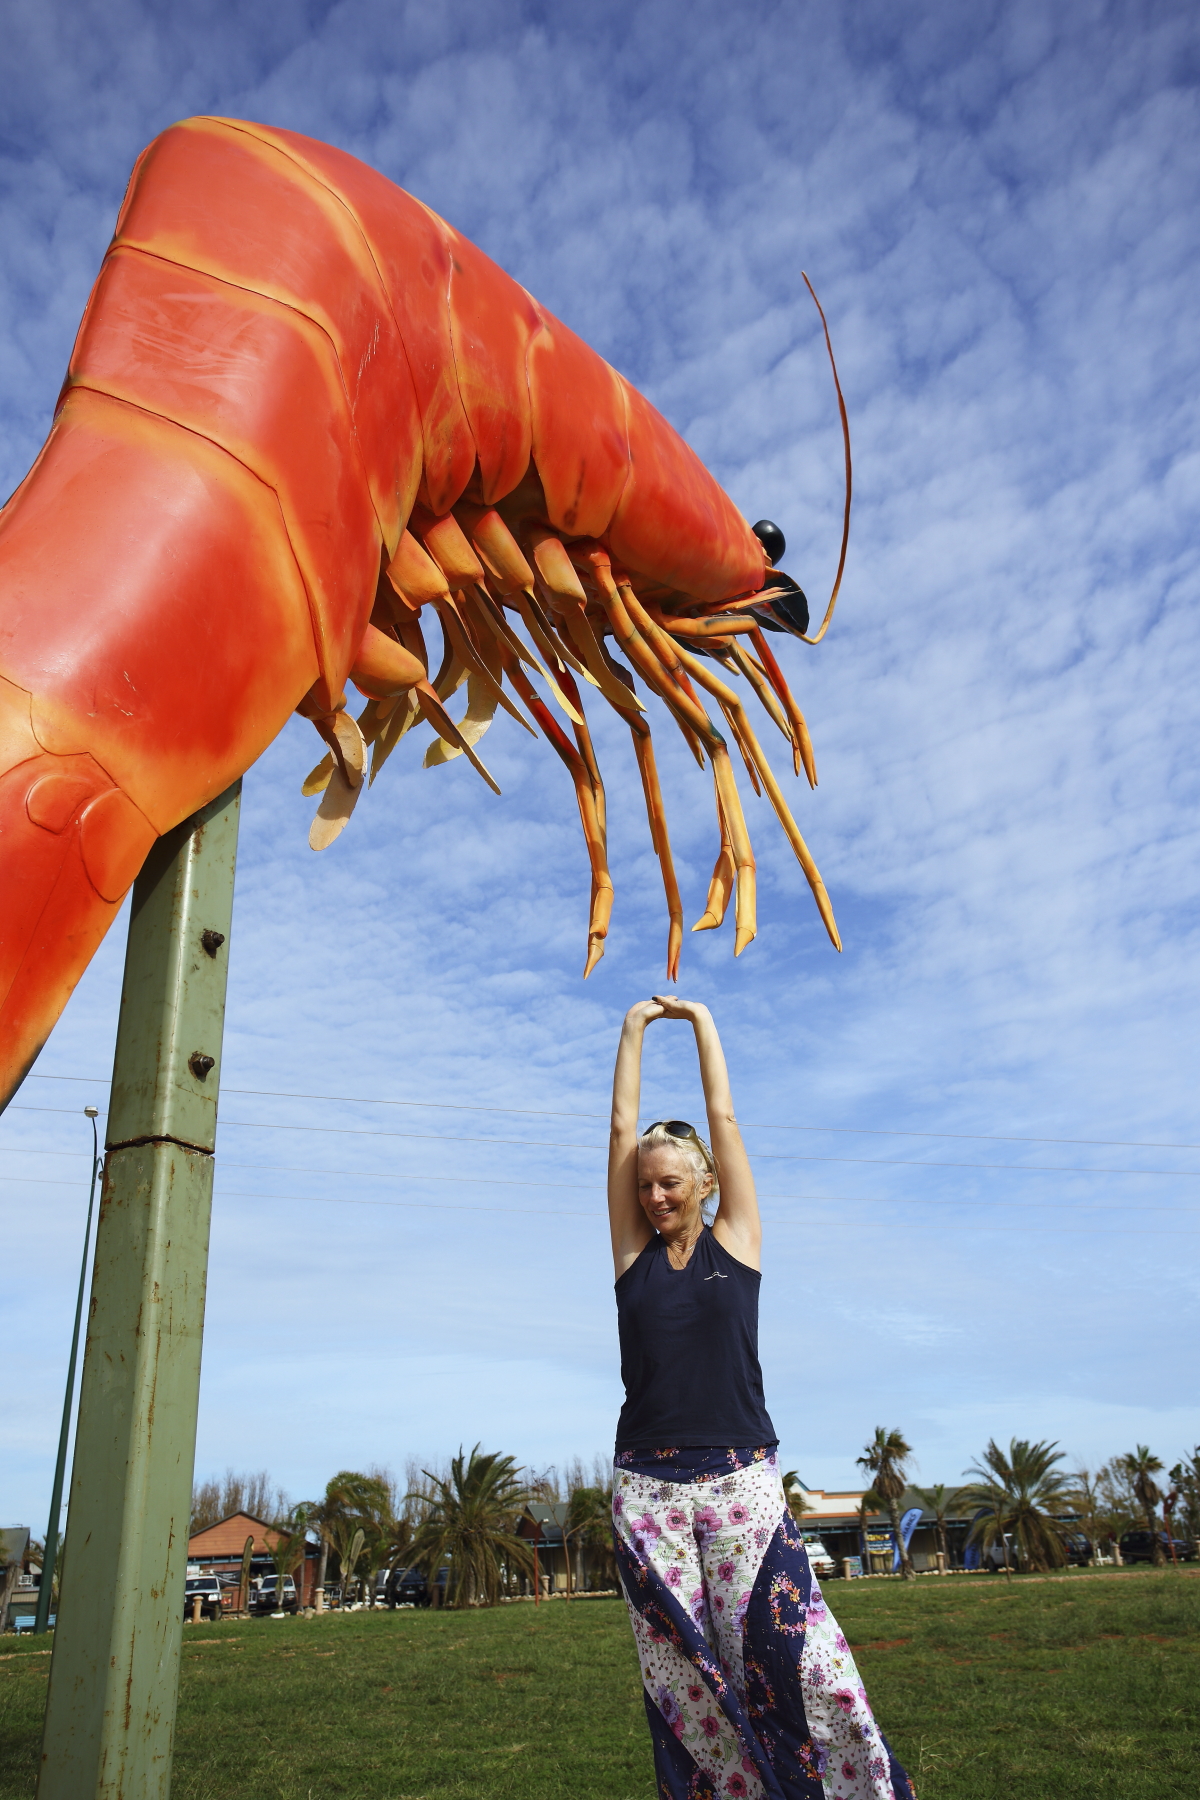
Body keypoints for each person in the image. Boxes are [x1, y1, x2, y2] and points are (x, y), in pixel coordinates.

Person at [608, 997, 915, 1800]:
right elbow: (618, 1131)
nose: (655, 1198)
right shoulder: (632, 1256)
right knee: (683, 1685)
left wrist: (701, 1022)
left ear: (706, 1181)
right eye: (645, 1187)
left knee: (796, 1660)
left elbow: (726, 1117)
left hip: (741, 1475)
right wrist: (634, 1030)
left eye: (670, 1183)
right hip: (647, 1489)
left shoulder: (735, 1242)